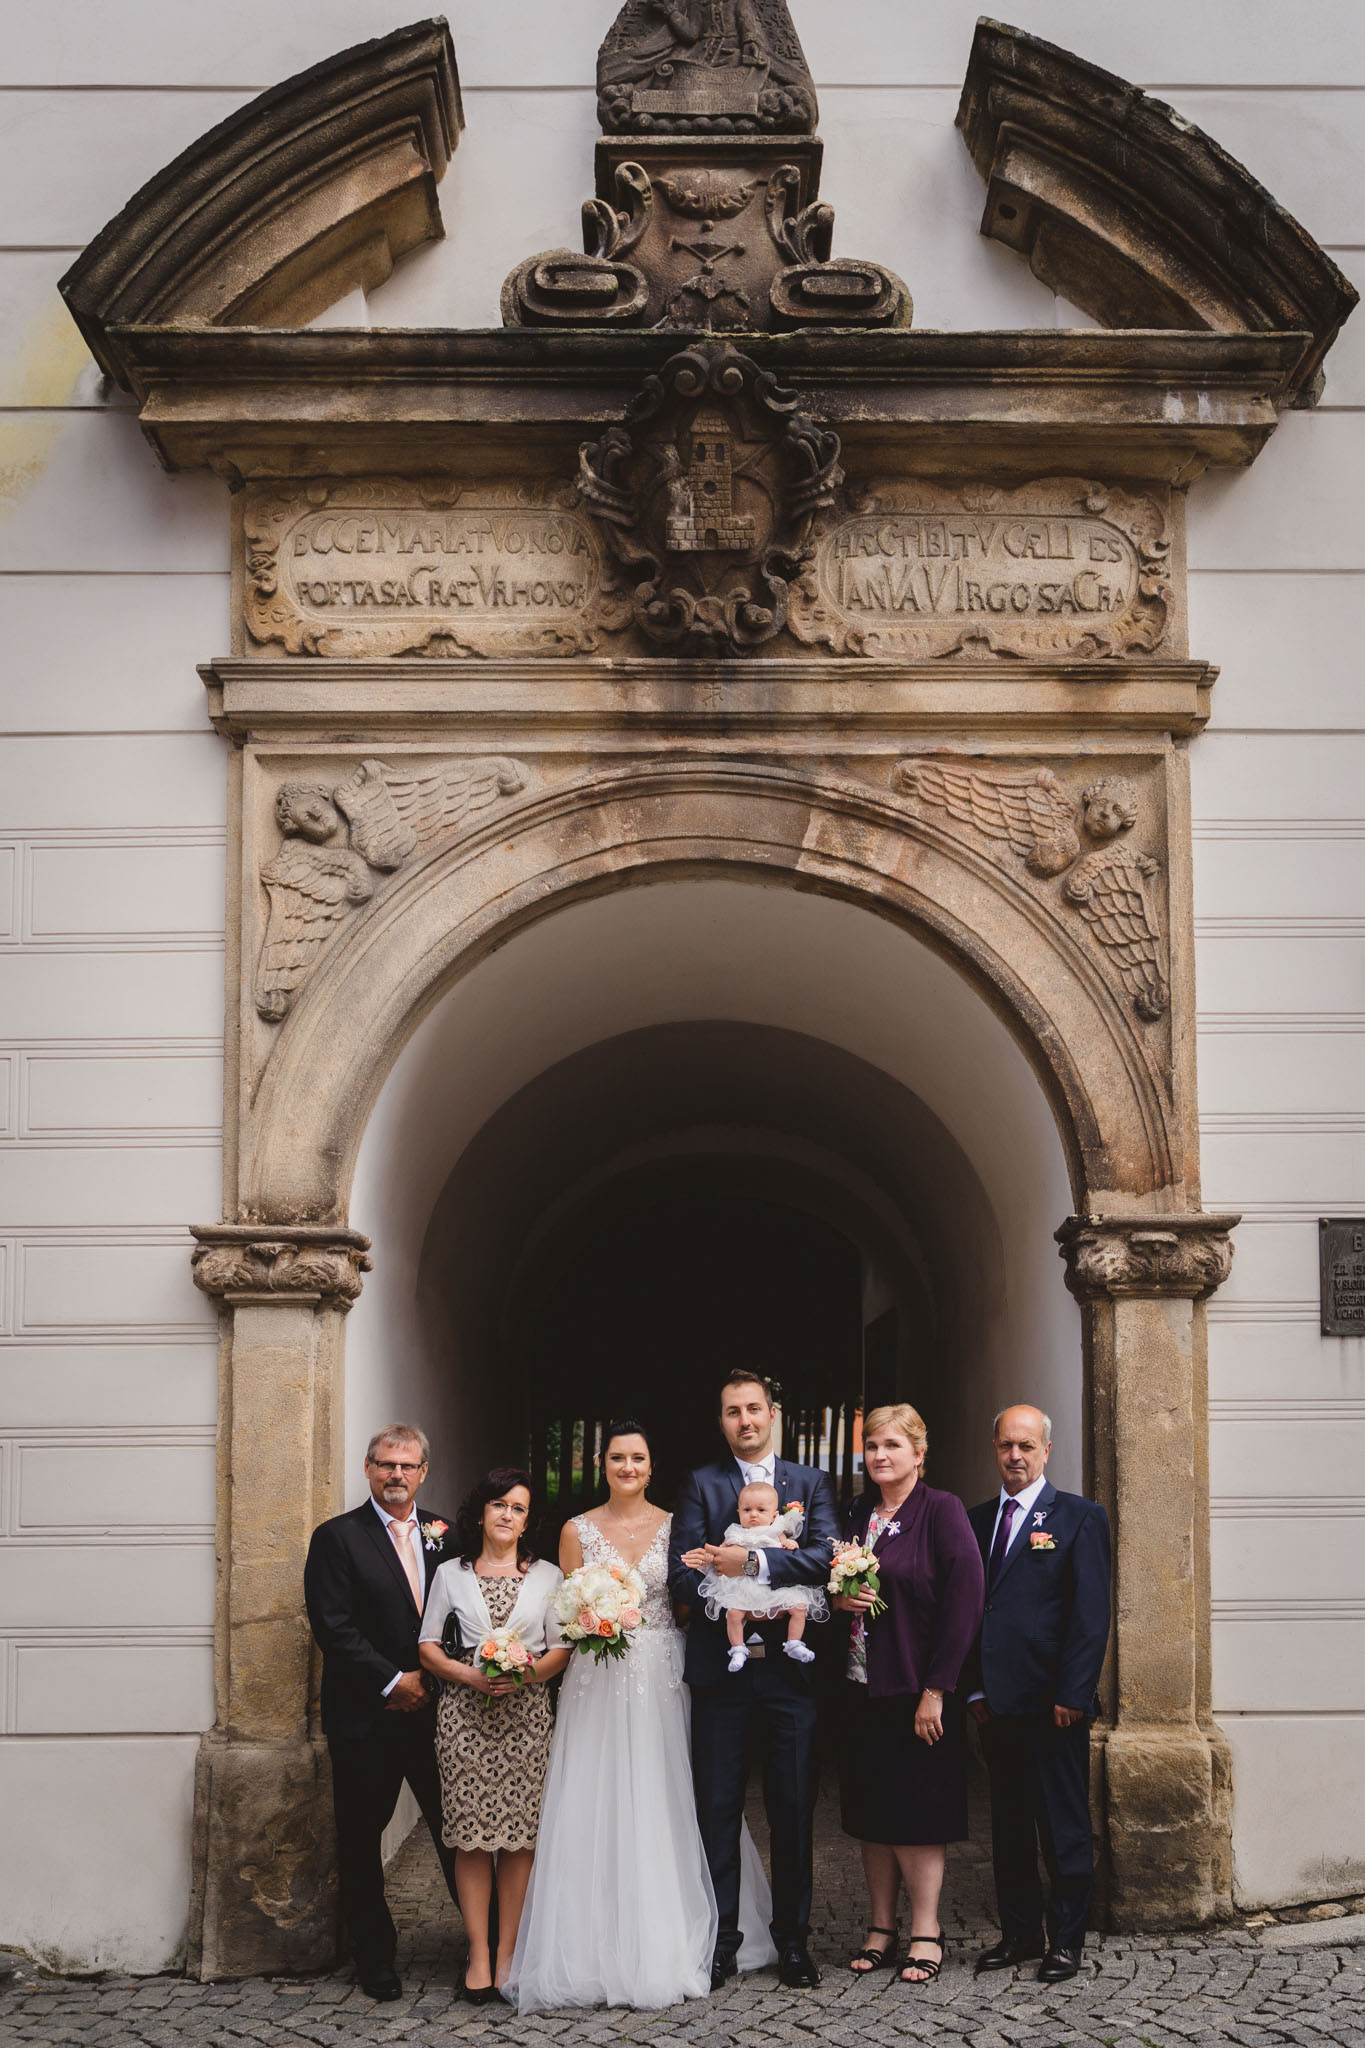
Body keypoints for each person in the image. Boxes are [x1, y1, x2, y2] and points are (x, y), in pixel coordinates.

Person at [506, 1419, 776, 2012]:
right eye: (617, 1458)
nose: (627, 1467)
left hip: (663, 1670)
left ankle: (681, 1932)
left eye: (637, 1458)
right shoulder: (576, 1530)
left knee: (669, 1790)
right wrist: (590, 1624)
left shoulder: (678, 1525)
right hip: (596, 1679)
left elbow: (689, 1601)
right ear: (602, 1464)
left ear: (652, 1468)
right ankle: (590, 1945)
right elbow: (567, 1610)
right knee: (595, 1793)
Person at [668, 1371, 840, 1990]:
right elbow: (681, 1574)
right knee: (717, 1807)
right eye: (732, 1411)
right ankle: (721, 1943)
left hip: (791, 1678)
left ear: (772, 1414)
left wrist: (754, 1562)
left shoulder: (810, 1483)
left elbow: (826, 1556)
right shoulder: (701, 1483)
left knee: (792, 1807)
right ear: (721, 1422)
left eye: (753, 1408)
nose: (744, 1420)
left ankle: (792, 1941)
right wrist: (730, 1586)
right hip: (723, 1673)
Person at [303, 1423, 458, 2001]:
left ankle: (483, 1943)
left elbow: (464, 1612)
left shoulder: (447, 1534)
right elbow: (332, 1625)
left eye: (407, 1465)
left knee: (456, 1831)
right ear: (368, 1469)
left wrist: (439, 1678)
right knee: (361, 1838)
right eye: (386, 1464)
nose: (396, 1474)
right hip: (366, 1715)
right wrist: (393, 1681)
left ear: (423, 1473)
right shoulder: (337, 1537)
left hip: (438, 1714)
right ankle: (374, 1958)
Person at [832, 1403, 984, 1987]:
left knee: (917, 1813)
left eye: (892, 1445)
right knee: (872, 1811)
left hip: (916, 1690)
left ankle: (926, 1930)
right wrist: (838, 1601)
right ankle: (880, 1927)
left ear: (919, 1453)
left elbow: (964, 1601)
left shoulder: (941, 1510)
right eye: (872, 1445)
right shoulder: (855, 1514)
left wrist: (936, 1690)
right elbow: (832, 1587)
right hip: (860, 1687)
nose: (880, 1455)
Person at [963, 1404, 1112, 1985]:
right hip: (996, 1705)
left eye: (1026, 1445)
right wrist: (973, 1690)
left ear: (1046, 1451)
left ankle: (1067, 1939)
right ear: (994, 1449)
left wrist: (1074, 1692)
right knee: (1010, 1828)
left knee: (1062, 1827)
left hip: (1055, 1706)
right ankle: (1020, 1933)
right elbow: (969, 1612)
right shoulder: (975, 1521)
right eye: (1007, 1445)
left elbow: (1090, 1614)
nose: (1015, 1455)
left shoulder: (1079, 1517)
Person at [417, 1469, 569, 2002]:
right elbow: (428, 1646)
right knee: (471, 1839)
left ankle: (508, 1954)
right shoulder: (450, 1574)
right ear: (481, 1513)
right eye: (499, 1504)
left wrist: (524, 1676)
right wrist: (469, 1676)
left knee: (519, 1840)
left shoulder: (548, 1575)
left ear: (527, 1522)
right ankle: (478, 1953)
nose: (508, 1515)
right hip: (464, 1720)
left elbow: (560, 1649)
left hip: (526, 1720)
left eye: (518, 1508)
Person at [688, 1481, 823, 1672]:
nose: (753, 1514)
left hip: (773, 1586)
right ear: (738, 1512)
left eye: (761, 1510)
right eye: (747, 1510)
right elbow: (720, 1553)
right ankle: (737, 1648)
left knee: (799, 1607)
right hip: (743, 1586)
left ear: (774, 1515)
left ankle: (794, 1643)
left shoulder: (777, 1531)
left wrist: (791, 1545)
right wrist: (709, 1557)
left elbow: (790, 1552)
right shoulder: (734, 1533)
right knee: (734, 1614)